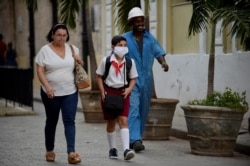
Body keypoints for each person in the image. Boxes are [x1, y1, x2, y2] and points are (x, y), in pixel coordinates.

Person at [122, 7, 169, 152]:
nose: (140, 23)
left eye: (142, 20)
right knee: (134, 107)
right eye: (137, 21)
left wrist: (163, 63)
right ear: (132, 23)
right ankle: (135, 139)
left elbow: (158, 52)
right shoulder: (125, 39)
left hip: (147, 79)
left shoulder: (150, 38)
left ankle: (135, 137)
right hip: (131, 78)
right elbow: (116, 55)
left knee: (143, 109)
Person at [35, 23, 82, 164]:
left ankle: (71, 153)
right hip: (51, 92)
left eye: (64, 35)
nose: (62, 38)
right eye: (59, 35)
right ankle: (50, 150)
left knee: (69, 121)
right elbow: (40, 70)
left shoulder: (73, 48)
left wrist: (79, 60)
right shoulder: (45, 50)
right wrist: (47, 86)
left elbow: (79, 66)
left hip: (70, 91)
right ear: (52, 35)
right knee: (51, 121)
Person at [96, 35, 138, 160]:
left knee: (123, 120)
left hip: (123, 93)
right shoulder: (106, 61)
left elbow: (133, 78)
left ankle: (126, 150)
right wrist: (102, 92)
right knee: (111, 122)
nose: (123, 48)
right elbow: (99, 76)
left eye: (125, 46)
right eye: (120, 45)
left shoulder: (130, 62)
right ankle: (112, 149)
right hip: (109, 93)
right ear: (113, 47)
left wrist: (129, 90)